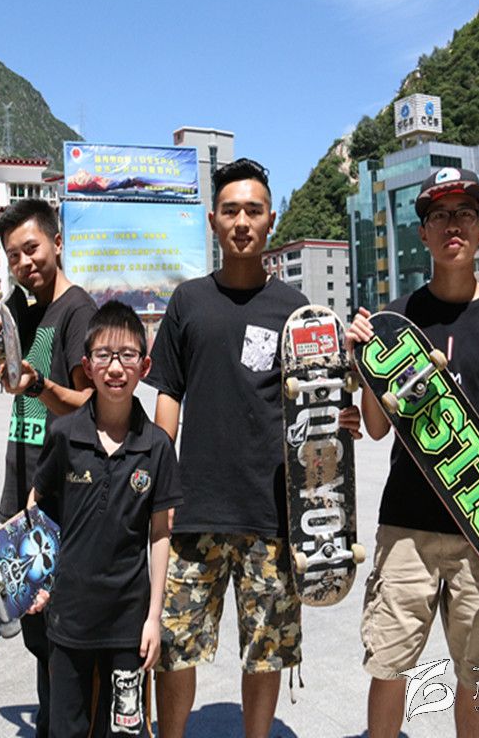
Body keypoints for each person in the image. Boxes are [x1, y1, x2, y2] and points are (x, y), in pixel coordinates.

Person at [145, 158, 361, 738]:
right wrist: (159, 487)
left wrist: (341, 421)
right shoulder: (187, 301)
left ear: (270, 220)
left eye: (254, 211)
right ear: (213, 220)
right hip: (193, 510)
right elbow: (168, 397)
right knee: (174, 647)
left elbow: (320, 405)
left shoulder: (296, 310)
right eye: (231, 211)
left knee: (266, 654)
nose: (242, 221)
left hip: (274, 514)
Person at [346, 167, 479, 738]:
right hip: (405, 526)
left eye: (464, 213)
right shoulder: (396, 319)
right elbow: (376, 428)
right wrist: (362, 363)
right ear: (423, 233)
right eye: (439, 215)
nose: (452, 225)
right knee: (389, 665)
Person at [0, 197, 96, 738]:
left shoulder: (78, 311)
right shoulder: (20, 309)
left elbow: (90, 403)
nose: (24, 262)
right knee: (38, 630)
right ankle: (53, 724)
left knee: (63, 630)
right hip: (23, 484)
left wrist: (39, 385)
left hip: (62, 494)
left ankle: (68, 726)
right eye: (13, 255)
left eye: (32, 248)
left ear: (57, 243)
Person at [28, 301, 182, 737]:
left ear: (145, 366)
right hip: (69, 617)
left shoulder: (157, 446)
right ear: (87, 366)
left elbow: (160, 534)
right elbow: (38, 505)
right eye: (104, 356)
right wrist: (37, 579)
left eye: (128, 355)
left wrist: (153, 618)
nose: (116, 367)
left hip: (128, 624)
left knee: (125, 730)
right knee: (67, 728)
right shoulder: (64, 434)